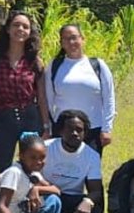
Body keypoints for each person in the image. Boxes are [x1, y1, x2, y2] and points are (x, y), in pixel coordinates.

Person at [0, 10, 50, 178]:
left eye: (25, 26)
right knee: (1, 169)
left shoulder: (34, 60)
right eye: (16, 25)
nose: (20, 29)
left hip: (30, 116)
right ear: (7, 29)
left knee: (33, 167)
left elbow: (41, 97)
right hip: (3, 118)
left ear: (30, 32)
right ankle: (0, 202)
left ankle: (33, 201)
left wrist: (46, 126)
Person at [47, 23, 116, 152]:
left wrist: (107, 129)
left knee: (90, 170)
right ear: (61, 43)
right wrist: (49, 128)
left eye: (74, 37)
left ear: (82, 39)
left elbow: (109, 98)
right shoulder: (54, 66)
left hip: (92, 130)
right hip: (62, 130)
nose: (71, 42)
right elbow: (48, 100)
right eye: (66, 39)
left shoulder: (98, 65)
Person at [42, 109, 105, 213]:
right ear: (60, 131)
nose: (75, 133)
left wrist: (87, 203)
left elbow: (95, 191)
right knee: (50, 200)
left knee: (95, 210)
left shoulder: (92, 156)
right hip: (46, 197)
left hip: (72, 203)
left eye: (79, 130)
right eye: (70, 129)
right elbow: (26, 172)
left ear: (85, 133)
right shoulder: (45, 148)